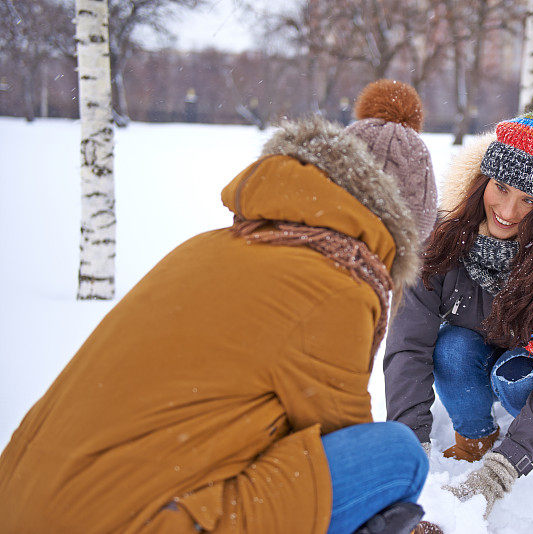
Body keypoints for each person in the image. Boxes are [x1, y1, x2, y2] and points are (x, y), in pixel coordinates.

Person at [0, 80, 439, 534]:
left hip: (24, 503)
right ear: (398, 231)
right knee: (396, 457)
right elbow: (344, 439)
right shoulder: (336, 286)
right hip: (131, 523)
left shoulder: (207, 247)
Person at [384, 93, 533, 517]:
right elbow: (408, 343)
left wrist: (504, 468)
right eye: (501, 187)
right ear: (482, 179)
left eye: (529, 200)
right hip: (473, 344)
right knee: (450, 348)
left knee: (515, 376)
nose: (507, 210)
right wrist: (408, 441)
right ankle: (475, 436)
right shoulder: (440, 238)